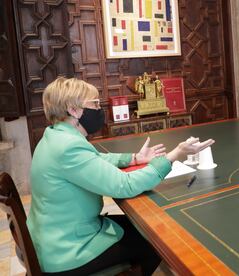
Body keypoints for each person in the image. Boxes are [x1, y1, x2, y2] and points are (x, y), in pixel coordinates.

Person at [27, 77, 215, 275]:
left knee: (142, 227)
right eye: (95, 104)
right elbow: (125, 185)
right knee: (157, 240)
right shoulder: (68, 147)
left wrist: (135, 158)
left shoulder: (55, 136)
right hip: (68, 250)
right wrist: (173, 156)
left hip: (54, 236)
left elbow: (95, 158)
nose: (99, 109)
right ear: (73, 110)